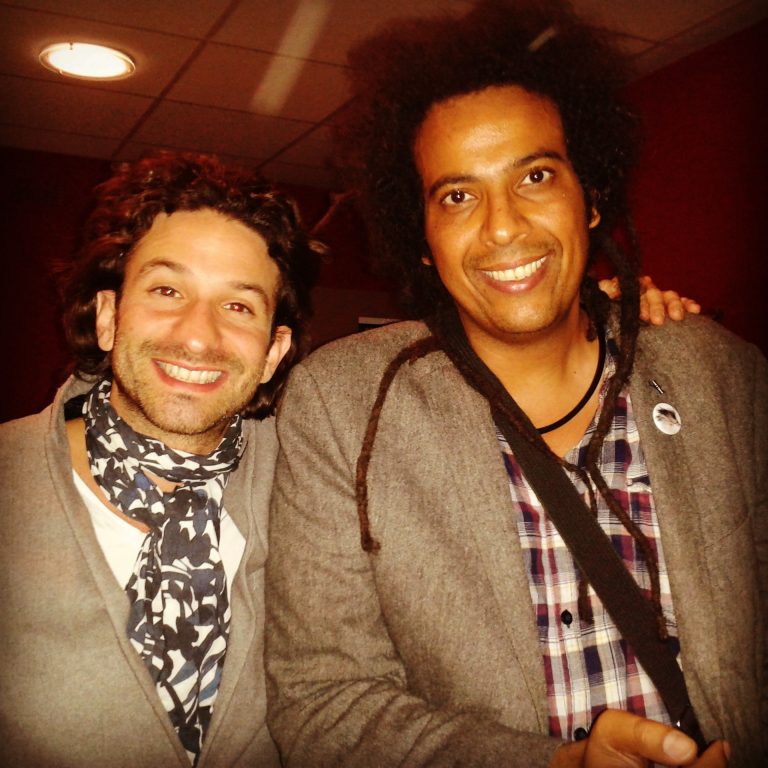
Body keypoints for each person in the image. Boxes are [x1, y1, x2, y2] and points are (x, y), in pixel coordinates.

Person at [264, 2, 767, 766]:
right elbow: (319, 701)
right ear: (422, 239)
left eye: (534, 175)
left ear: (589, 198)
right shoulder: (342, 406)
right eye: (457, 195)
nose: (502, 226)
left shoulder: (721, 375)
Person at [0, 152, 320, 767]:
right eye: (167, 290)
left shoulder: (312, 487)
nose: (197, 335)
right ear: (108, 317)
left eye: (238, 306)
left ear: (273, 352)